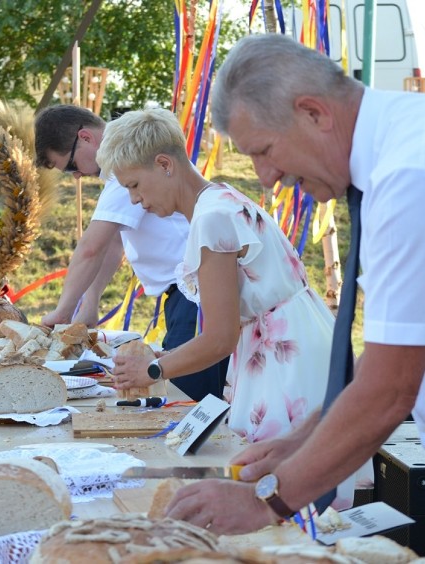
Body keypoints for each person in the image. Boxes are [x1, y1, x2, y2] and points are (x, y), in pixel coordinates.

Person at [163, 34, 425, 563]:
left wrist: (267, 501)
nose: (267, 178)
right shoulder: (400, 149)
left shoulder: (414, 170)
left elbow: (390, 390)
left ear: (313, 113)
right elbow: (395, 350)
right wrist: (304, 438)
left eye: (264, 151)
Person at [99, 108, 348, 469]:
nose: (135, 200)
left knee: (280, 480)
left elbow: (219, 338)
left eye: (134, 185)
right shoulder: (220, 199)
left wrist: (153, 370)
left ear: (165, 164)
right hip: (294, 340)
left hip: (284, 359)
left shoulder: (211, 217)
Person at [34, 105, 226, 402]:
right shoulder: (124, 162)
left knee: (185, 399)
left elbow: (91, 247)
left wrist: (63, 311)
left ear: (85, 137)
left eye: (72, 166)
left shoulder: (123, 162)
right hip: (187, 290)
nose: (76, 176)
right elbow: (112, 243)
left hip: (196, 291)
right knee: (187, 395)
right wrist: (91, 301)